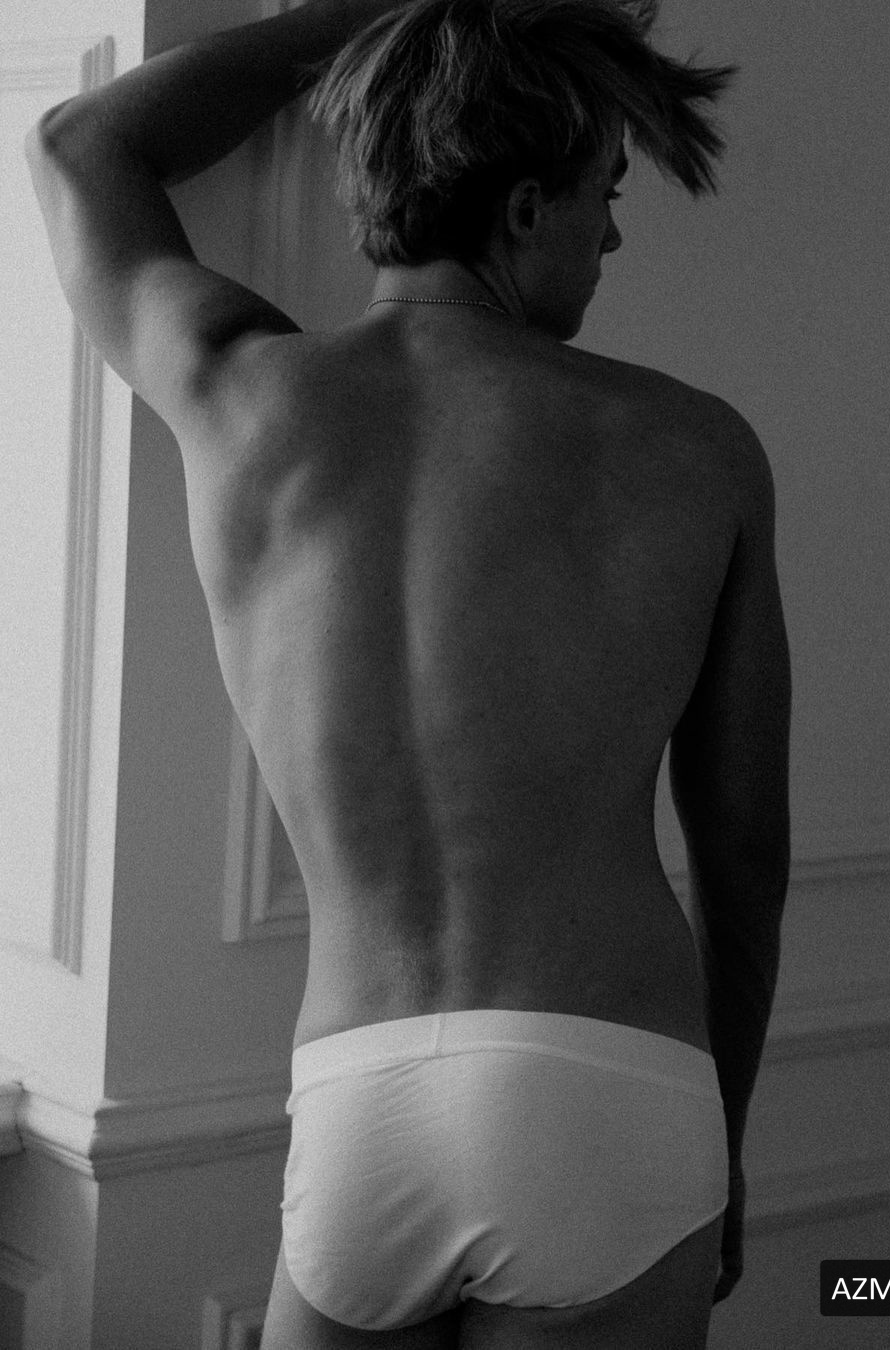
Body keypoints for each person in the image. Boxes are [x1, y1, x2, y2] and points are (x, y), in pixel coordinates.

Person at [26, 0, 790, 1344]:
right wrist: (718, 1137)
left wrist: (397, 18)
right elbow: (742, 852)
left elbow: (82, 143)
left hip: (360, 1088)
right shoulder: (697, 449)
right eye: (606, 196)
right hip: (610, 1084)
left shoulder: (236, 393)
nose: (611, 239)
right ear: (523, 208)